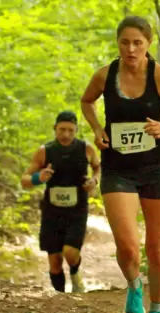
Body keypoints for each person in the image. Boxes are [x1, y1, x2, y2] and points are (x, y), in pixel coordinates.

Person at [80, 15, 160, 313]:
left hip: (156, 169)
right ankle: (134, 286)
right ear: (118, 43)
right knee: (129, 247)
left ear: (148, 44)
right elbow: (87, 102)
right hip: (118, 169)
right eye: (125, 42)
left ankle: (157, 309)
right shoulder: (105, 75)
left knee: (157, 249)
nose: (131, 49)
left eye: (137, 43)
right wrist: (96, 129)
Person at [21, 111, 101, 293]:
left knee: (70, 253)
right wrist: (38, 178)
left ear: (76, 131)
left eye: (70, 131)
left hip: (77, 208)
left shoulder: (86, 149)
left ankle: (75, 273)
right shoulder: (44, 151)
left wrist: (94, 181)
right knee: (55, 262)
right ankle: (61, 299)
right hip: (52, 211)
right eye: (62, 130)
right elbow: (24, 180)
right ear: (55, 129)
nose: (66, 135)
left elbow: (97, 167)